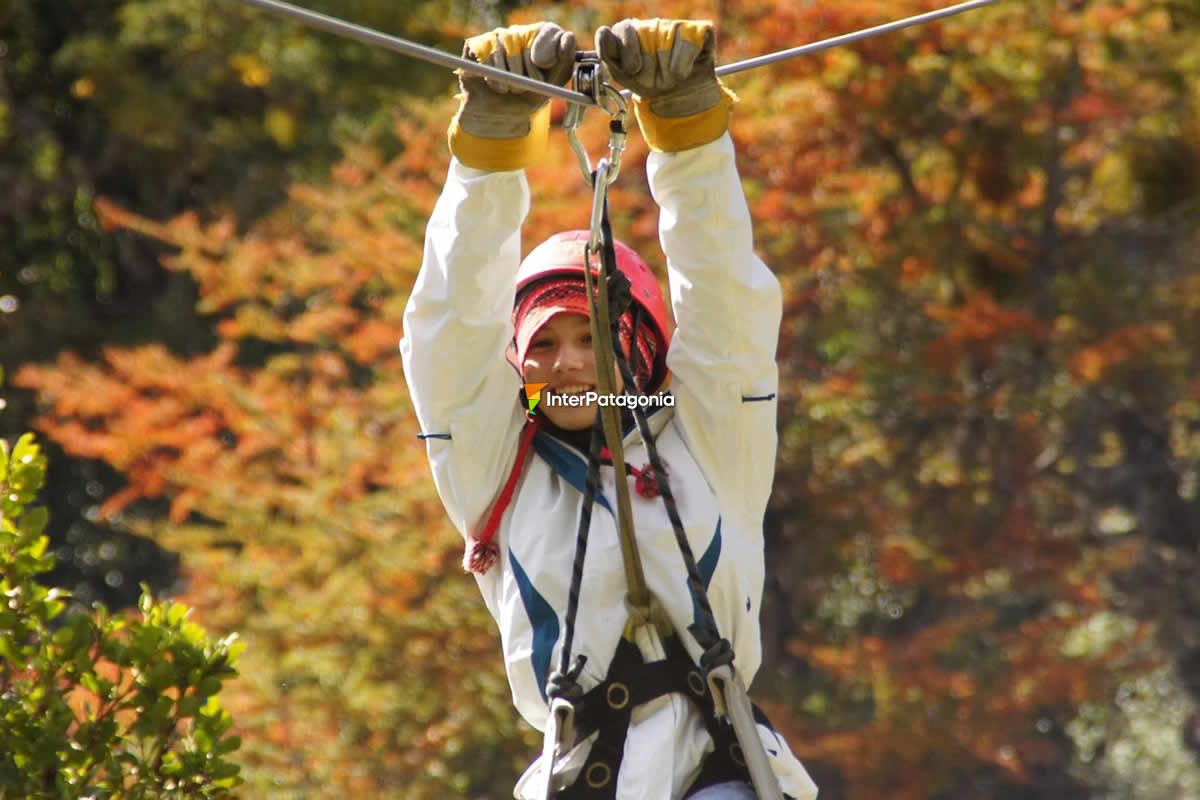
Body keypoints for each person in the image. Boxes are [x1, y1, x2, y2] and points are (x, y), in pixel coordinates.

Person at [401, 17, 819, 800]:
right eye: (543, 343)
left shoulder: (707, 435)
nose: (564, 364)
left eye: (591, 337)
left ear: (639, 345)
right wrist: (491, 146)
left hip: (719, 773)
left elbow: (725, 298)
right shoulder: (498, 463)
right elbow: (450, 329)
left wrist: (689, 133)